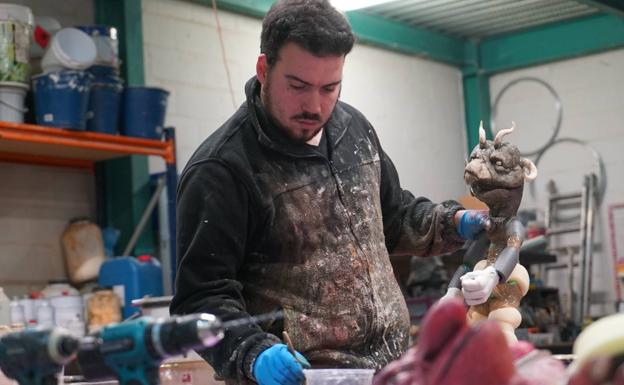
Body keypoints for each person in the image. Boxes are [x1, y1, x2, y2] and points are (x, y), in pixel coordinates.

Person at [170, 1, 488, 384]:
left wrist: (453, 222)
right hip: (302, 378)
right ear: (263, 69)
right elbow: (200, 298)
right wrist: (252, 353)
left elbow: (393, 216)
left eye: (329, 87)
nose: (314, 105)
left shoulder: (352, 128)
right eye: (298, 86)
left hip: (392, 369)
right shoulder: (223, 170)